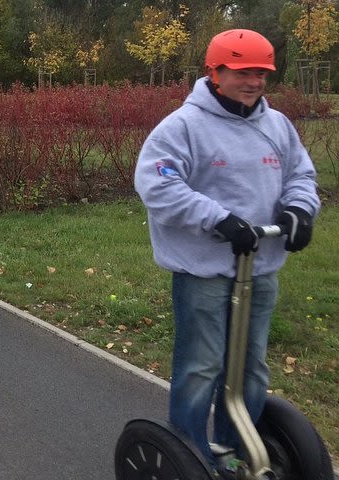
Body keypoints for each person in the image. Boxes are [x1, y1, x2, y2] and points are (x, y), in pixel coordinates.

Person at [134, 29, 320, 478]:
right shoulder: (183, 126)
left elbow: (302, 175)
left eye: (260, 73)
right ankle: (191, 457)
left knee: (252, 367)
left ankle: (235, 452)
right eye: (241, 72)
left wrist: (299, 210)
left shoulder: (277, 126)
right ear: (214, 73)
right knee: (201, 367)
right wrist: (217, 218)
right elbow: (156, 183)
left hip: (260, 269)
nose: (253, 81)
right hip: (205, 272)